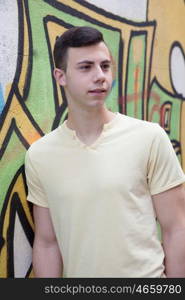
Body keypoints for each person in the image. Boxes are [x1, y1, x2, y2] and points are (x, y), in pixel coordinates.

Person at [25, 26, 185, 278]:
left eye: (105, 66)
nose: (100, 76)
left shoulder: (149, 137)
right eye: (86, 67)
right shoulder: (40, 155)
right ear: (61, 76)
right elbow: (47, 242)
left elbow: (176, 228)